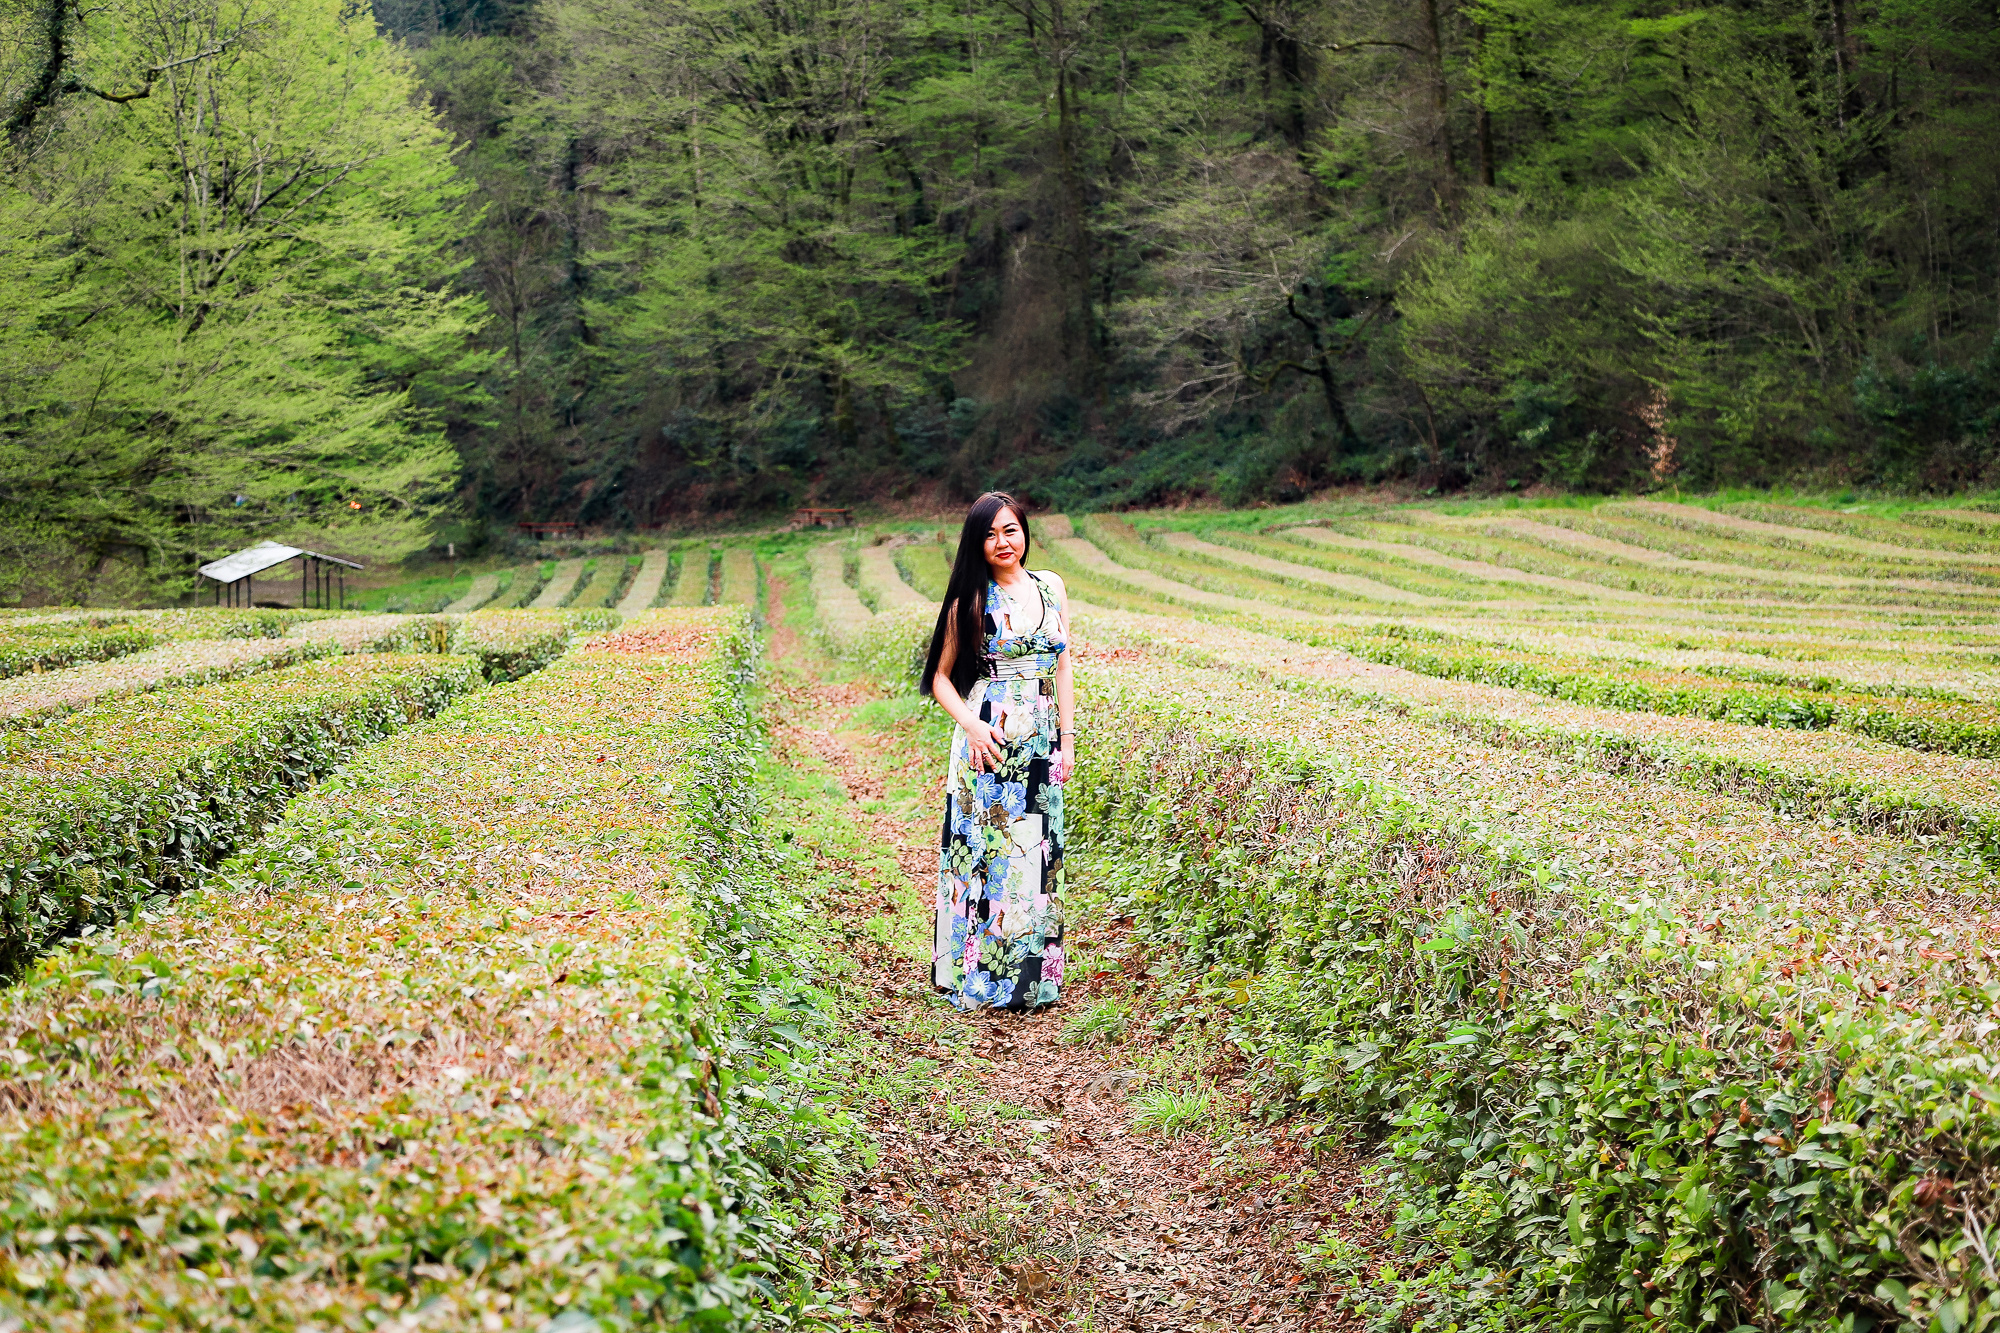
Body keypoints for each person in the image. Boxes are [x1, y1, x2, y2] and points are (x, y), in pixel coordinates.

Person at [920, 492, 1074, 1011]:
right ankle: (978, 976)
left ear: (1025, 532)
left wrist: (1067, 740)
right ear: (976, 544)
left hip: (1043, 735)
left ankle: (1032, 980)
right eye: (989, 535)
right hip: (990, 737)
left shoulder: (1051, 587)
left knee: (1036, 850)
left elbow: (1064, 666)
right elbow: (940, 679)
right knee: (989, 854)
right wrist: (971, 727)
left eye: (1010, 530)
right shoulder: (972, 601)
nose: (1002, 542)